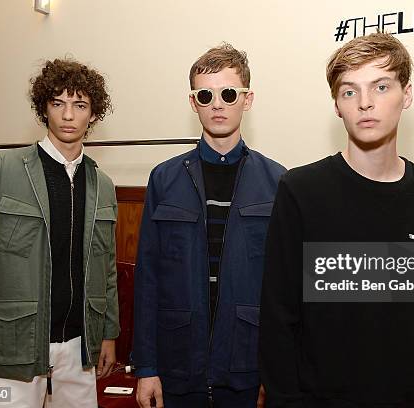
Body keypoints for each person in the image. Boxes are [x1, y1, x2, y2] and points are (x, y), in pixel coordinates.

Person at [259, 32, 414, 407]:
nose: (365, 103)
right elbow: (278, 316)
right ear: (337, 105)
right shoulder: (301, 191)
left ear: (407, 94)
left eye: (381, 86)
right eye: (349, 91)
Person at [0, 58, 119, 407]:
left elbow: (109, 270)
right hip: (13, 348)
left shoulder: (102, 184)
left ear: (93, 113)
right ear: (45, 108)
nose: (68, 116)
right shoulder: (0, 171)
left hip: (80, 348)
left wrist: (109, 335)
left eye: (80, 105)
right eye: (58, 103)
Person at [133, 43, 286, 408]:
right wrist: (146, 368)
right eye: (206, 94)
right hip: (177, 365)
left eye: (228, 93)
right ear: (194, 102)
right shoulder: (164, 179)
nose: (217, 104)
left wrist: (277, 372)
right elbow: (148, 278)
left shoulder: (278, 181)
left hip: (248, 368)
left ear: (246, 100)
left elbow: (283, 290)